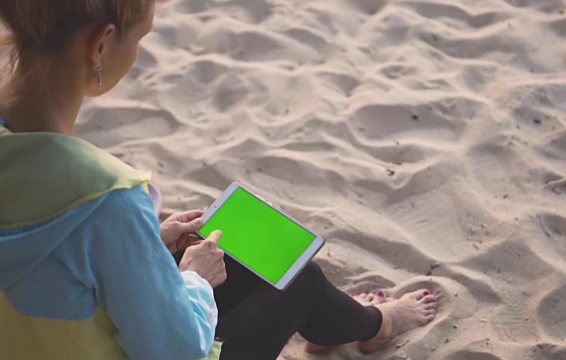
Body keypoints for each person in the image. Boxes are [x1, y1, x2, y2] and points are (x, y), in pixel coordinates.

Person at [0, 1, 439, 359]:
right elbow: (174, 351)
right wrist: (193, 279)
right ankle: (373, 325)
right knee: (296, 281)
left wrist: (149, 238)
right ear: (101, 44)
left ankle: (343, 325)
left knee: (237, 258)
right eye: (142, 37)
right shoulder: (106, 198)